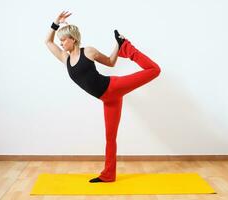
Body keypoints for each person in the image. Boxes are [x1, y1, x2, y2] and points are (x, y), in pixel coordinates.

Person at [45, 11, 161, 183]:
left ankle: (128, 48)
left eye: (63, 40)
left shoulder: (89, 51)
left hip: (113, 87)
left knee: (154, 70)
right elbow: (48, 41)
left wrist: (119, 47)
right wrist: (56, 22)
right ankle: (108, 175)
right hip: (108, 100)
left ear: (73, 39)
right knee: (110, 137)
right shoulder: (65, 59)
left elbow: (110, 62)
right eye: (60, 41)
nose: (61, 44)